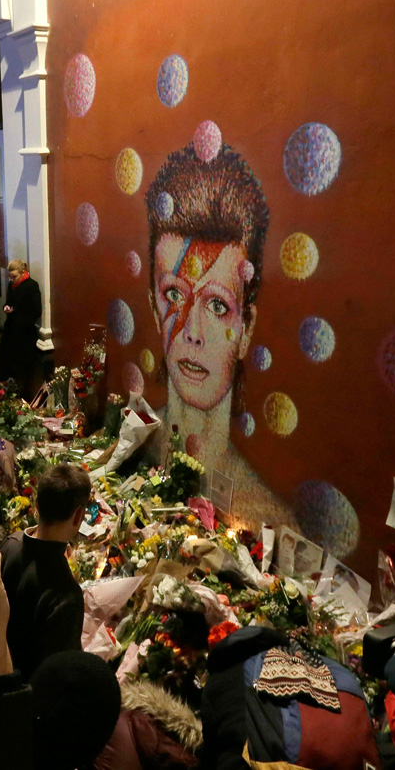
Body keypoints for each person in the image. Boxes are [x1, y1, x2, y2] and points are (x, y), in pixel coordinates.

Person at [142, 143, 298, 530]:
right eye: (175, 295)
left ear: (245, 329)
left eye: (217, 306)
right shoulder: (142, 441)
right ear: (153, 308)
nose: (192, 333)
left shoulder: (269, 521)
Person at [0, 463, 90, 678]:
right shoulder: (66, 595)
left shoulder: (9, 544)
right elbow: (56, 672)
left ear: (37, 505)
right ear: (78, 516)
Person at [0, 259, 42, 398]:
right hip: (12, 331)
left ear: (23, 273)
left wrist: (15, 312)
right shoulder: (12, 285)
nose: (11, 279)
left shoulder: (32, 286)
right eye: (10, 277)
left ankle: (23, 397)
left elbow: (36, 311)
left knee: (23, 370)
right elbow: (9, 301)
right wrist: (6, 307)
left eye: (14, 276)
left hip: (24, 334)